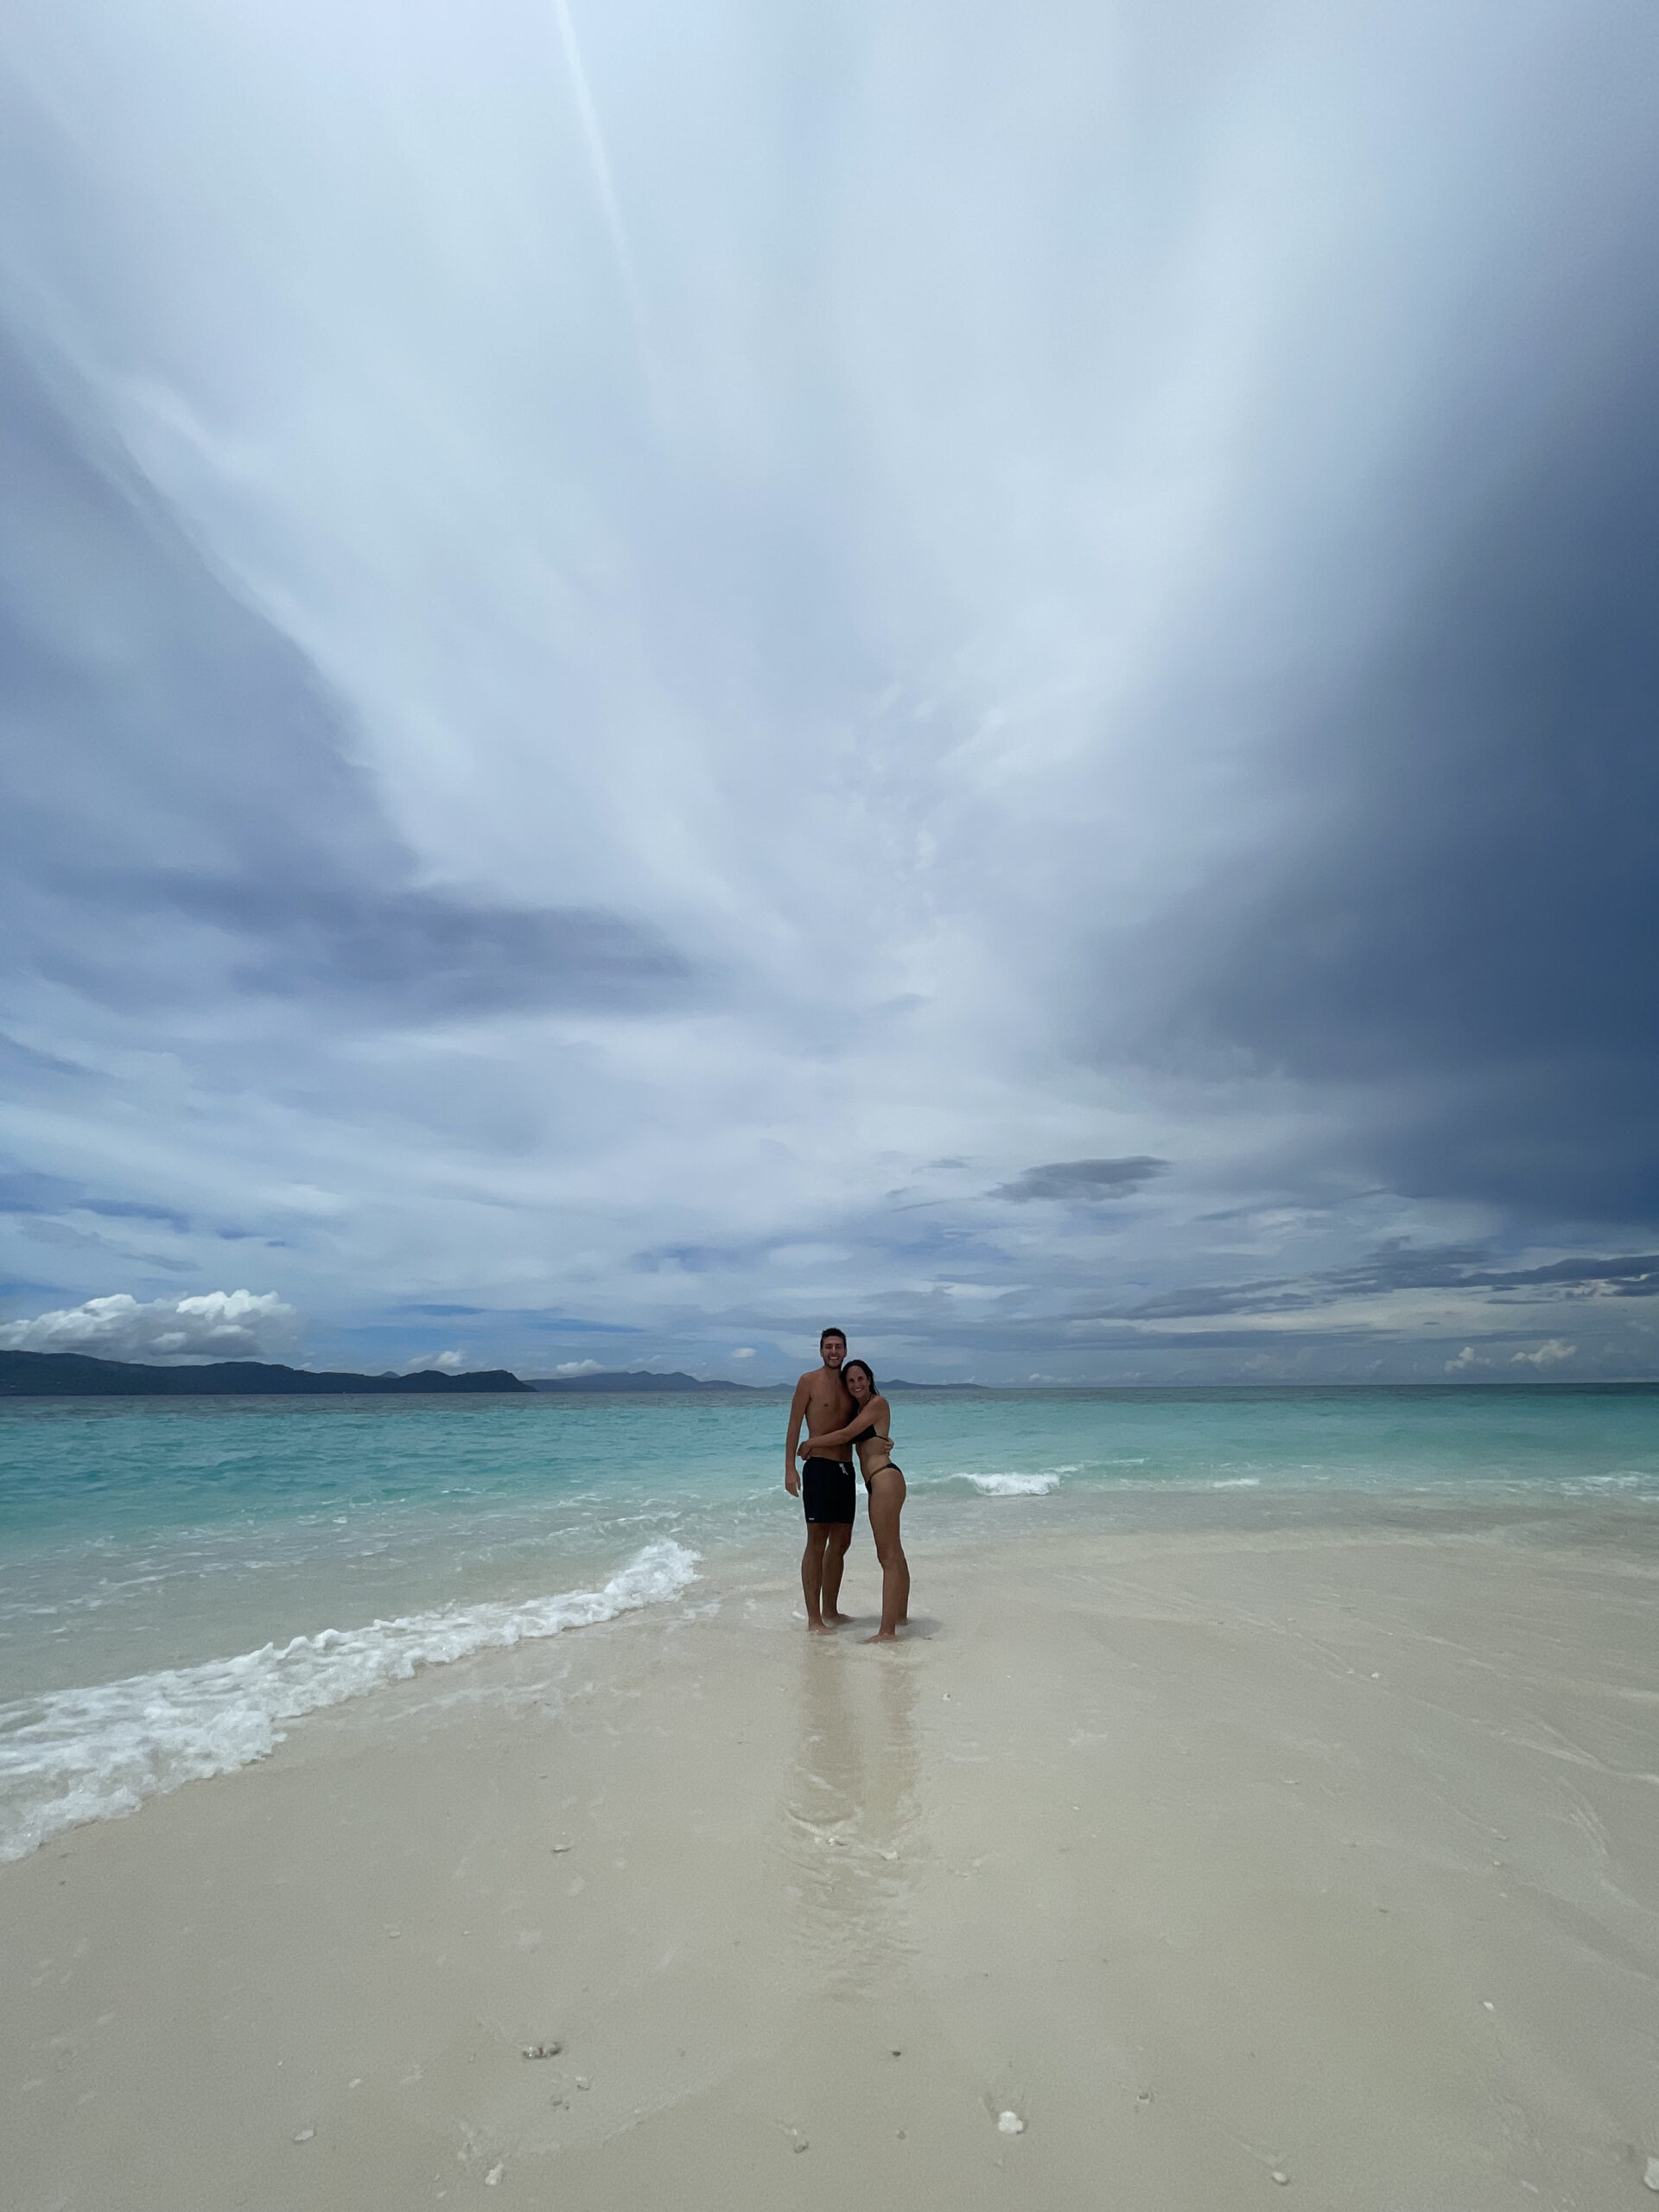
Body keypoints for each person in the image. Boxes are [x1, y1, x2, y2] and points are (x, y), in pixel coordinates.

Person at [799, 1359, 909, 1641]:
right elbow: (859, 1436)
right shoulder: (861, 1410)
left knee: (887, 1556)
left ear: (870, 1379)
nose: (857, 1384)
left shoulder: (878, 1403)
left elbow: (847, 1435)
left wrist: (812, 1442)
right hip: (879, 1480)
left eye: (861, 1379)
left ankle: (887, 1632)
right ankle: (899, 1617)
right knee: (894, 1553)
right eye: (851, 1381)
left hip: (885, 1478)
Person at [784, 1326, 856, 1633]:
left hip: (845, 1469)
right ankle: (814, 1619)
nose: (834, 1352)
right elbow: (794, 1425)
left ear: (846, 1350)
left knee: (841, 1542)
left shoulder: (851, 1384)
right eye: (828, 1346)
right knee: (816, 1542)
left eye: (839, 1346)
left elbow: (863, 1425)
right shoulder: (808, 1381)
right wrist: (789, 1468)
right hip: (819, 1469)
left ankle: (832, 1610)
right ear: (820, 1350)